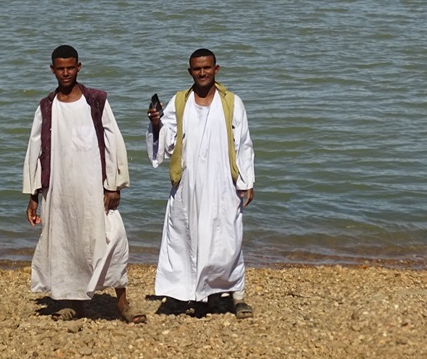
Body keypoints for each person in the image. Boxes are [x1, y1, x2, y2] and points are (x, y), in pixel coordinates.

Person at [22, 45, 145, 323]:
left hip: (95, 185)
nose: (65, 73)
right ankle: (75, 303)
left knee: (112, 237)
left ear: (79, 67)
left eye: (70, 67)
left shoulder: (95, 100)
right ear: (52, 70)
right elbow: (35, 149)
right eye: (60, 68)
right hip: (60, 188)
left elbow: (113, 139)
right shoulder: (46, 106)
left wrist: (113, 185)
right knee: (67, 241)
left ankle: (123, 303)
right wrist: (33, 193)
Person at [146, 48, 256, 318]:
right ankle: (186, 294)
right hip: (188, 183)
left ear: (216, 69)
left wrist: (247, 181)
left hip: (222, 184)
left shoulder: (231, 102)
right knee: (185, 236)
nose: (202, 72)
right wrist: (157, 123)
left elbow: (243, 144)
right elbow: (168, 142)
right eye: (197, 68)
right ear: (190, 72)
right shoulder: (180, 101)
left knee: (227, 238)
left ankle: (235, 293)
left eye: (207, 67)